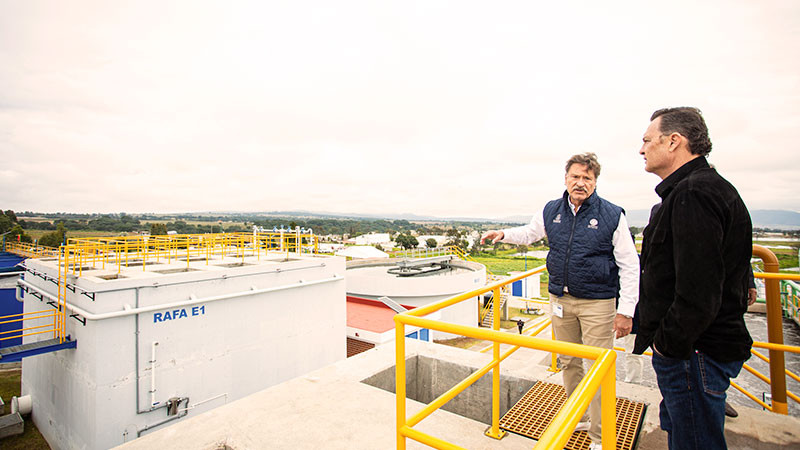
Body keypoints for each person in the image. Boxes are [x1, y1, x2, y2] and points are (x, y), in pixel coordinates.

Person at [481, 152, 639, 450]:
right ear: (566, 178)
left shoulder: (612, 214)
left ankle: (600, 438)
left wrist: (626, 310)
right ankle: (577, 417)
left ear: (595, 182)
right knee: (568, 362)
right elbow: (530, 233)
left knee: (598, 369)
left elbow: (630, 264)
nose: (580, 183)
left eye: (587, 178)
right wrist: (502, 234)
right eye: (575, 177)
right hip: (560, 299)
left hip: (598, 302)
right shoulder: (552, 209)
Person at [633, 107, 753, 449]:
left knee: (695, 443)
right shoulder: (704, 189)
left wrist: (666, 345)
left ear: (674, 141)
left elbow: (698, 291)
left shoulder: (692, 195)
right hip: (696, 350)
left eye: (646, 141)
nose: (641, 150)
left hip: (693, 353)